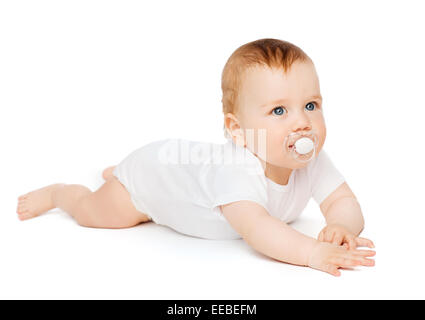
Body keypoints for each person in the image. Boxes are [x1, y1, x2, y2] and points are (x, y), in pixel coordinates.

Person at [16, 38, 375, 277]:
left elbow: (342, 199)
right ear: (237, 131)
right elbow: (258, 229)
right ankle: (63, 192)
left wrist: (342, 227)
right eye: (279, 111)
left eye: (311, 105)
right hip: (150, 180)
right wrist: (312, 253)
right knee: (98, 214)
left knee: (184, 166)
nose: (302, 122)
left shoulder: (311, 160)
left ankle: (115, 173)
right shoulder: (237, 171)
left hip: (182, 167)